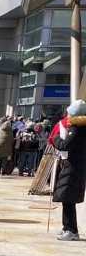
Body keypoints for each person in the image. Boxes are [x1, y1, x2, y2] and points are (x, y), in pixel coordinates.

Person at [52, 99, 86, 240]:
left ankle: (71, 230)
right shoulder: (80, 127)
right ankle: (67, 227)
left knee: (67, 197)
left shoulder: (77, 128)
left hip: (73, 166)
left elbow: (66, 145)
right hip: (77, 165)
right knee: (66, 197)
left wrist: (56, 139)